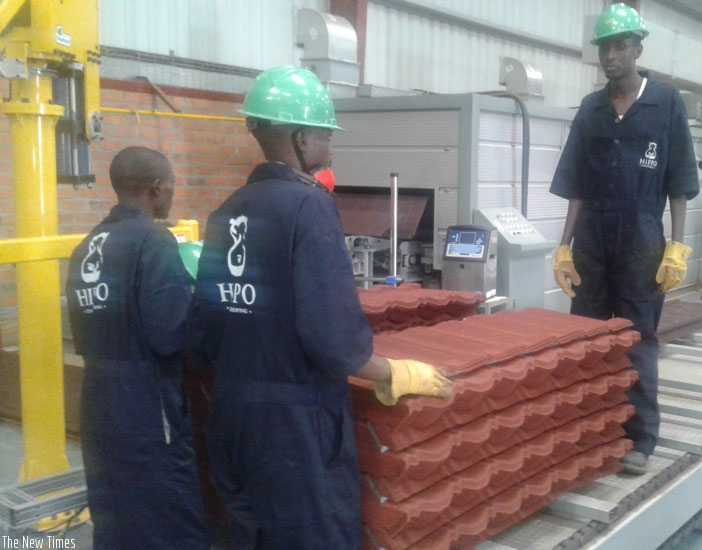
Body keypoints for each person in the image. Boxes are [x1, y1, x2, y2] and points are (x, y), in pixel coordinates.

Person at [189, 65, 451, 549]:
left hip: (230, 415)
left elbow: (203, 328)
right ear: (302, 139)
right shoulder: (309, 208)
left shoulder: (224, 213)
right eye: (327, 135)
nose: (331, 145)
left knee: (250, 535)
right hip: (294, 430)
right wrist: (392, 372)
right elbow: (330, 336)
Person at [550, 3, 699, 475]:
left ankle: (640, 438)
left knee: (636, 338)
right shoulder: (591, 108)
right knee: (586, 337)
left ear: (637, 48)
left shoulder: (667, 102)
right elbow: (574, 183)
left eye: (620, 45)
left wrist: (677, 245)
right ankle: (587, 428)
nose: (611, 55)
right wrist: (564, 245)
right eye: (605, 47)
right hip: (593, 236)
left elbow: (678, 180)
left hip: (641, 237)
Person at [65, 146, 209, 548]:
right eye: (173, 187)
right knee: (167, 507)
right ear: (157, 188)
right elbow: (169, 334)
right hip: (145, 403)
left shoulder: (88, 246)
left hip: (97, 399)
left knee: (114, 504)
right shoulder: (154, 240)